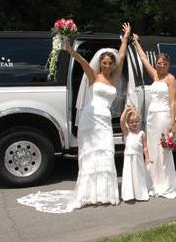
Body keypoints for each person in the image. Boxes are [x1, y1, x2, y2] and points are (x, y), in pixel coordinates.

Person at [17, 23, 131, 213]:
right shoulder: (94, 76)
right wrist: (70, 49)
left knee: (106, 152)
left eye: (110, 63)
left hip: (104, 120)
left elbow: (121, 55)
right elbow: (82, 61)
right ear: (100, 63)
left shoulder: (115, 78)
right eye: (105, 62)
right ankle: (87, 194)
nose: (108, 65)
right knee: (90, 154)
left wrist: (125, 37)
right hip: (91, 118)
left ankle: (104, 193)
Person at [132, 33, 176, 198]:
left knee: (162, 149)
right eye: (159, 63)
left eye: (164, 63)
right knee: (152, 148)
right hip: (151, 116)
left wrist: (173, 124)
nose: (161, 65)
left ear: (168, 65)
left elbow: (173, 102)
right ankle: (153, 181)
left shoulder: (171, 79)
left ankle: (165, 182)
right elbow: (144, 59)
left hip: (163, 116)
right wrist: (136, 42)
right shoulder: (154, 75)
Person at [120, 105, 152, 201]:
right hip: (128, 158)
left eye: (137, 122)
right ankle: (128, 194)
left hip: (138, 159)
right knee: (129, 175)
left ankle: (140, 193)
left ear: (140, 121)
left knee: (139, 175)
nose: (134, 124)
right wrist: (126, 110)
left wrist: (148, 157)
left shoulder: (142, 134)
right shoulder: (127, 132)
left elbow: (145, 147)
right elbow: (121, 121)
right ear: (128, 123)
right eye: (131, 122)